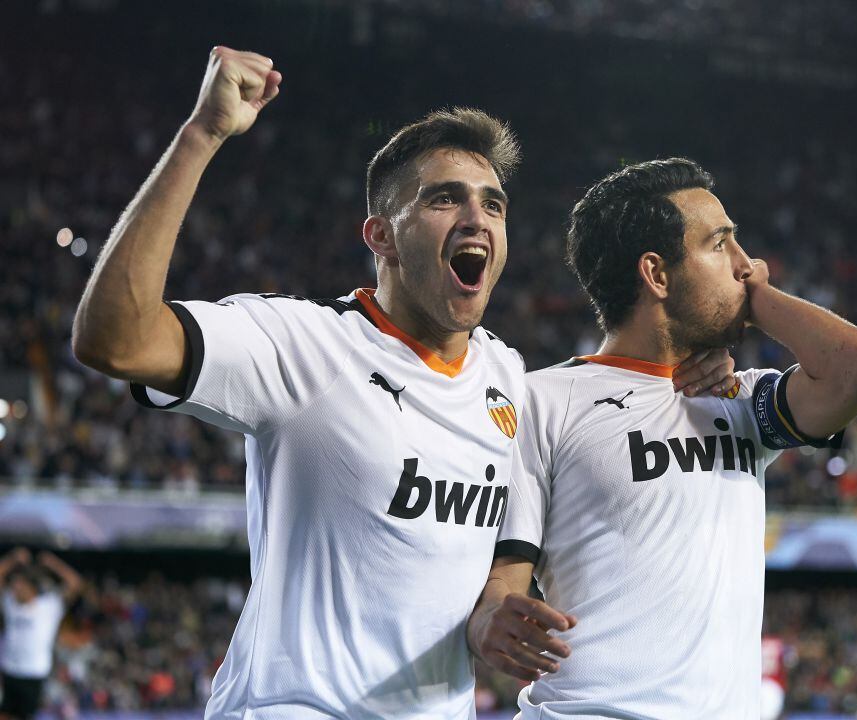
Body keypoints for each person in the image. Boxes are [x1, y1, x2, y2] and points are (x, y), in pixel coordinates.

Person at [71, 50, 735, 718]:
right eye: (445, 198)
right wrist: (201, 136)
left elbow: (593, 422)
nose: (477, 217)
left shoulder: (507, 376)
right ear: (381, 236)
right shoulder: (305, 344)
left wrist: (689, 373)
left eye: (493, 204)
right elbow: (115, 339)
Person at [467, 158, 857, 719]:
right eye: (721, 246)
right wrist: (494, 621)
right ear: (657, 274)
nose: (749, 266)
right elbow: (501, 585)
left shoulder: (742, 398)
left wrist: (758, 301)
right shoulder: (543, 401)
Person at [0, 548, 83, 720]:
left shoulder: (49, 606)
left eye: (19, 585)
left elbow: (75, 583)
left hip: (32, 674)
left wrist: (53, 563)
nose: (14, 589)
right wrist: (13, 559)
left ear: (31, 588)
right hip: (10, 671)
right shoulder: (10, 604)